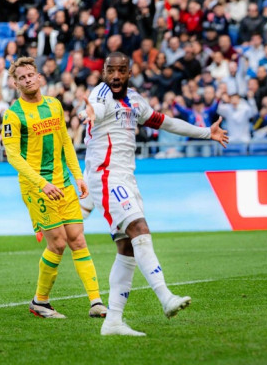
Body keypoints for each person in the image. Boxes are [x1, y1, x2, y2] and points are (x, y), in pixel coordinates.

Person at [82, 52, 229, 336]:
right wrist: (87, 113)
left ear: (128, 72)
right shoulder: (98, 95)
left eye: (121, 71)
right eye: (110, 70)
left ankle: (113, 321)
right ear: (103, 72)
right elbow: (94, 111)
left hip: (126, 177)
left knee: (126, 248)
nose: (115, 76)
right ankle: (165, 297)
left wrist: (205, 133)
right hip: (106, 176)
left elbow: (165, 122)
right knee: (140, 229)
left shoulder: (135, 100)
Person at [1, 57, 105, 319]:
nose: (27, 80)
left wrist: (78, 175)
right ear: (15, 83)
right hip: (36, 187)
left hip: (63, 183)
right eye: (21, 77)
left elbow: (65, 143)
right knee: (58, 243)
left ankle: (96, 302)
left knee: (78, 239)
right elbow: (13, 157)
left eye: (30, 75)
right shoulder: (13, 115)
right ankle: (41, 302)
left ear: (39, 78)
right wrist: (41, 183)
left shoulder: (54, 105)